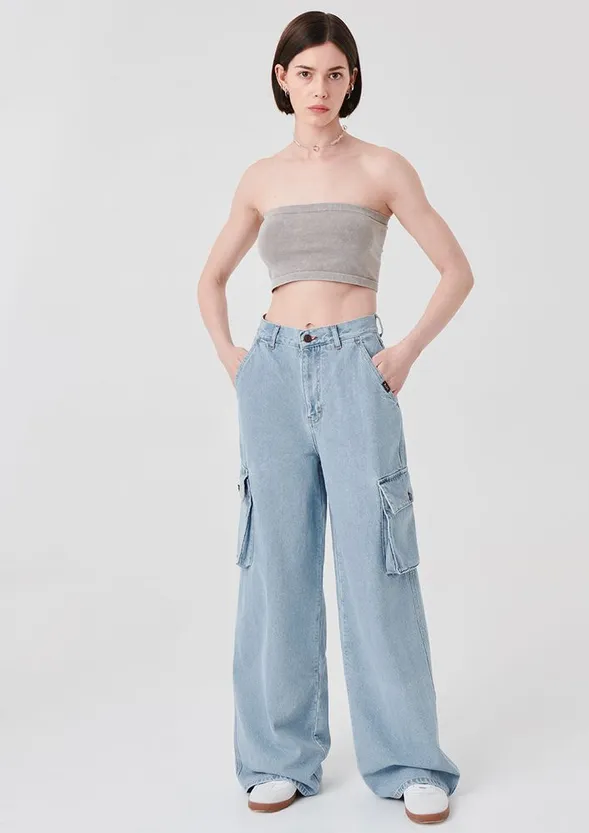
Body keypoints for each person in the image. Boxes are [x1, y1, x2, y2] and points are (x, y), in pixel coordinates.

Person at [197, 11, 474, 826]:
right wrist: (235, 359)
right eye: (306, 72)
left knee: (377, 563)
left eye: (335, 73)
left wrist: (404, 352)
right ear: (281, 78)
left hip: (358, 368)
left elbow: (456, 270)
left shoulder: (382, 167)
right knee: (275, 566)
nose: (320, 88)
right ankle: (277, 755)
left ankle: (410, 759)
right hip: (274, 370)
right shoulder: (260, 178)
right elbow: (210, 279)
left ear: (351, 81)